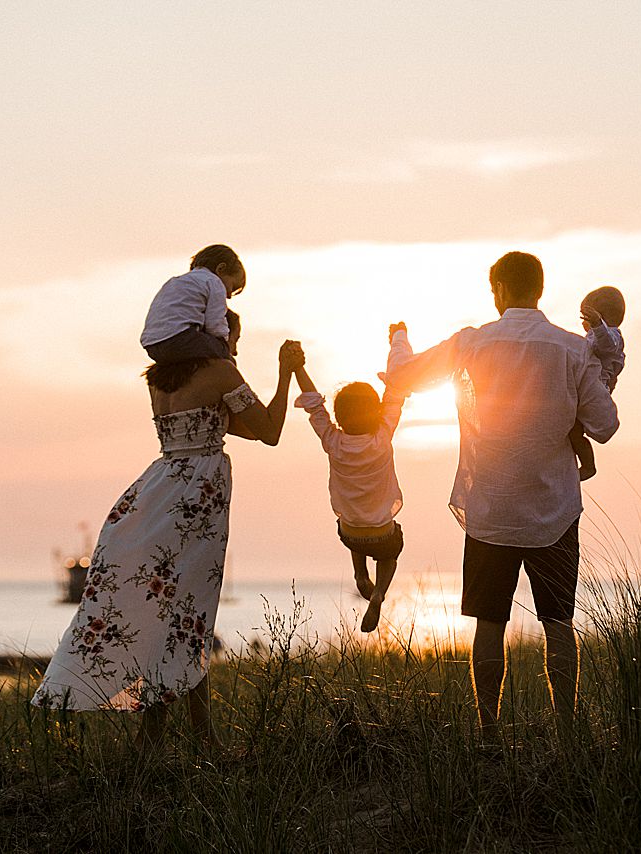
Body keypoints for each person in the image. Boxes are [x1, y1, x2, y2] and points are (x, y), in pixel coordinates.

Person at [33, 326, 303, 748]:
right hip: (197, 495)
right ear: (214, 333)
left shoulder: (160, 378)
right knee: (190, 615)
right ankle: (188, 736)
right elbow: (268, 432)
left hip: (158, 489)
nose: (236, 347)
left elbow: (239, 426)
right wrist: (285, 373)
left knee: (178, 617)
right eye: (233, 337)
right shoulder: (220, 371)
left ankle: (168, 735)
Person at [385, 251, 618, 736]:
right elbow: (605, 425)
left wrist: (399, 338)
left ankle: (488, 731)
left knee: (489, 624)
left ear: (499, 289)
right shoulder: (572, 349)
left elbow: (405, 378)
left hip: (491, 509)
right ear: (538, 287)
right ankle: (568, 732)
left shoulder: (473, 343)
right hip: (554, 510)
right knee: (558, 623)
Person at [291, 325, 409, 633]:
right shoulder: (382, 437)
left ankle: (359, 575)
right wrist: (398, 338)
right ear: (376, 411)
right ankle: (379, 591)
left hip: (350, 534)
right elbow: (395, 389)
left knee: (353, 519)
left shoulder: (332, 440)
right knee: (391, 548)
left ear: (340, 416)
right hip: (382, 533)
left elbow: (314, 404)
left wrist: (298, 367)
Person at [140, 244, 246, 364]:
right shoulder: (213, 282)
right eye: (232, 287)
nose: (229, 296)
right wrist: (223, 344)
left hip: (152, 345)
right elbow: (215, 323)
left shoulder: (175, 282)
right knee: (226, 357)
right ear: (220, 269)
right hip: (180, 338)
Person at [568, 285, 626, 480]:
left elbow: (606, 345)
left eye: (586, 318)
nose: (584, 324)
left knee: (575, 430)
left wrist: (597, 326)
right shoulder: (599, 335)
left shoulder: (612, 335)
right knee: (574, 430)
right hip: (592, 386)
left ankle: (588, 465)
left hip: (597, 389)